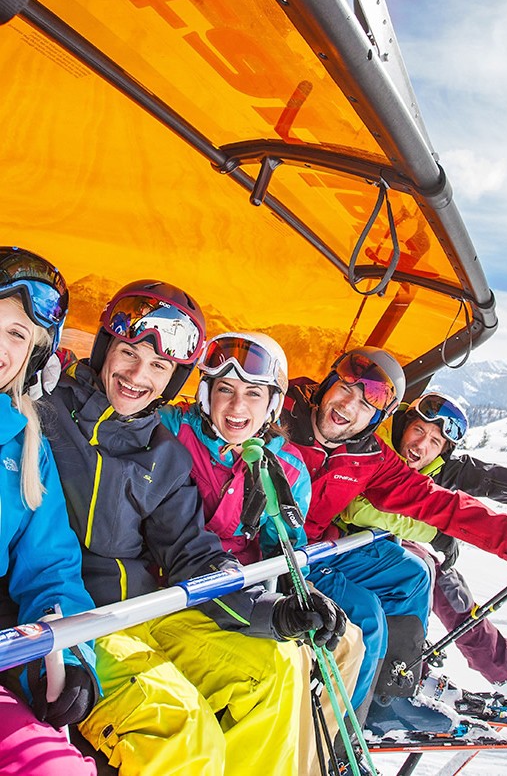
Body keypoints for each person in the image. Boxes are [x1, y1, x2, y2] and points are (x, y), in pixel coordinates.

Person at [43, 281, 346, 776]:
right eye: (129, 353)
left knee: (274, 670)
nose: (139, 376)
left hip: (144, 611)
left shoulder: (164, 453)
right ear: (103, 350)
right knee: (186, 730)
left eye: (159, 366)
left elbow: (192, 552)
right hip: (81, 613)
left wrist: (274, 612)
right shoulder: (47, 411)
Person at [280, 346, 507, 726]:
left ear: (377, 419)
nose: (349, 407)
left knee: (413, 573)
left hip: (314, 551)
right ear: (326, 386)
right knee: (366, 614)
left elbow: (443, 502)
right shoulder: (281, 410)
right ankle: (342, 734)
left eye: (366, 404)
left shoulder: (369, 456)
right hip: (274, 554)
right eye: (345, 389)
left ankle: (389, 695)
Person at [159, 330, 364, 776]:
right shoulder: (173, 433)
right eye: (225, 390)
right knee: (284, 660)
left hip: (245, 588)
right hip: (182, 587)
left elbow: (282, 549)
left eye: (253, 394)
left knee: (346, 640)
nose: (237, 407)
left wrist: (298, 596)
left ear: (271, 404)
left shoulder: (283, 466)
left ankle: (312, 762)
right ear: (206, 392)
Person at [339, 391, 507, 733]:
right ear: (402, 425)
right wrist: (434, 533)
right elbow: (358, 508)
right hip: (341, 547)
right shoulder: (375, 446)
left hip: (375, 550)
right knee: (425, 569)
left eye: (435, 441)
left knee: (440, 573)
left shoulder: (432, 464)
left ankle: (490, 666)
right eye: (419, 430)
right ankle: (419, 676)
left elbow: (486, 478)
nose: (422, 445)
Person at [0, 246, 99, 776]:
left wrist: (66, 656)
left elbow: (50, 568)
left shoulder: (25, 447)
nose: (0, 343)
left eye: (17, 334)